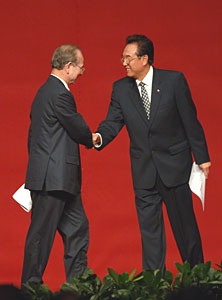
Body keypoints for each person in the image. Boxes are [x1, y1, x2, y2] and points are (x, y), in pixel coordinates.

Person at [94, 35, 211, 273]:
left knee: (185, 229)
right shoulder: (120, 89)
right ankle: (154, 284)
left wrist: (202, 157)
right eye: (123, 57)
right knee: (150, 235)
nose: (124, 62)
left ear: (144, 58)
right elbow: (112, 122)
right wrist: (100, 137)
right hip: (144, 171)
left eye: (128, 57)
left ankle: (198, 281)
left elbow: (190, 120)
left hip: (174, 167)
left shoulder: (174, 80)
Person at [22, 44, 96, 285]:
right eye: (81, 66)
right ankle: (30, 289)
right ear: (68, 67)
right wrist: (91, 138)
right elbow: (76, 126)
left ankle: (76, 288)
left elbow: (34, 137)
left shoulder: (43, 92)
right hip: (54, 180)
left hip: (59, 180)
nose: (83, 71)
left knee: (77, 230)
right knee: (41, 237)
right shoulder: (60, 93)